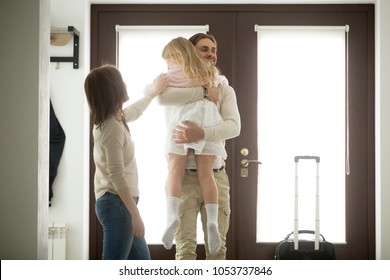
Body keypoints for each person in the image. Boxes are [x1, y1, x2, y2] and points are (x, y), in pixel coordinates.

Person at [157, 33, 241, 260]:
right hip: (183, 177)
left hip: (215, 175)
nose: (211, 54)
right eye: (204, 49)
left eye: (213, 50)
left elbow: (234, 127)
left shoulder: (224, 89)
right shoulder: (174, 84)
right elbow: (161, 98)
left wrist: (201, 133)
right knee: (184, 249)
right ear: (190, 52)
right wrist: (203, 91)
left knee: (217, 249)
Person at [84, 64, 167, 260]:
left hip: (120, 204)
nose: (125, 84)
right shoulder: (111, 127)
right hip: (117, 204)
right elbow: (116, 174)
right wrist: (135, 214)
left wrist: (154, 93)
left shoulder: (113, 118)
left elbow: (135, 111)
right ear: (112, 88)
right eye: (121, 81)